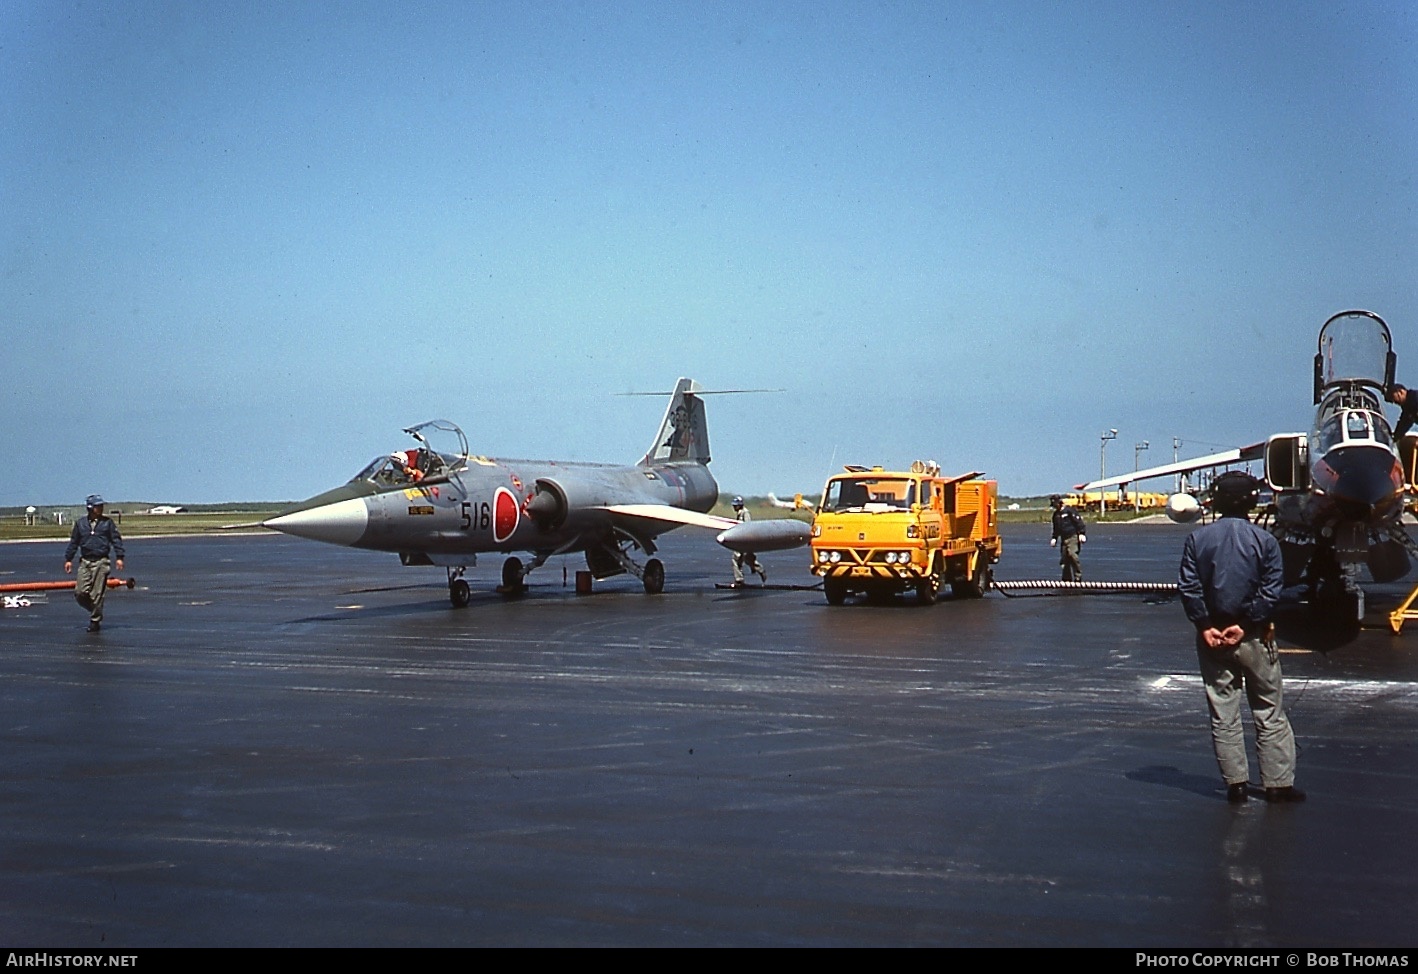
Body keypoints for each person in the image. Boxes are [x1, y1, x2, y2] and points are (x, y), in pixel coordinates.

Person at [1178, 471, 1304, 804]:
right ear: (1251, 501)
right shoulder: (1265, 541)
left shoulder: (1197, 540)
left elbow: (1189, 588)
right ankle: (1278, 785)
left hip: (1213, 638)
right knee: (1269, 709)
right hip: (1254, 637)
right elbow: (1271, 589)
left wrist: (1205, 625)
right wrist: (1247, 624)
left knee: (1223, 711)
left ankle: (1235, 784)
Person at [63, 494, 126, 633]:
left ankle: (95, 620)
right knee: (80, 592)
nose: (101, 508)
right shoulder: (81, 524)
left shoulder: (107, 523)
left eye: (101, 506)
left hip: (101, 561)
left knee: (97, 593)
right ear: (90, 508)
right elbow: (74, 542)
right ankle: (95, 610)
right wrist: (68, 559)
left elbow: (116, 540)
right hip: (85, 561)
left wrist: (119, 557)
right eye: (98, 506)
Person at [730, 496, 767, 587]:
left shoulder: (745, 513)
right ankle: (739, 580)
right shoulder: (740, 513)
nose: (734, 507)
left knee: (748, 560)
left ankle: (761, 571)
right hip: (740, 540)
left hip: (745, 540)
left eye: (736, 505)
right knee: (736, 559)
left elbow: (748, 526)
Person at [1049, 495, 1086, 582]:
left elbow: (1078, 522)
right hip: (1063, 538)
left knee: (1072, 555)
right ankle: (1066, 579)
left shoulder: (1069, 511)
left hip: (1072, 536)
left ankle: (1078, 576)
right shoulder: (1056, 515)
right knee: (1065, 559)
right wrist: (1054, 538)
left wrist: (1081, 533)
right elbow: (1056, 528)